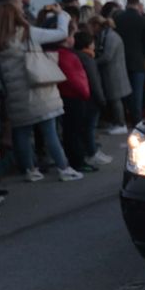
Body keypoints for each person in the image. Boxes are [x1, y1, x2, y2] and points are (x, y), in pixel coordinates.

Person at [0, 2, 78, 182]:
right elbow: (61, 33)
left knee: (22, 133)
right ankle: (64, 167)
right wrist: (62, 14)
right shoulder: (27, 33)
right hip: (38, 89)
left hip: (15, 95)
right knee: (50, 132)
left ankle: (30, 169)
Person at [40, 13, 95, 173]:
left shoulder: (50, 53)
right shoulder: (67, 56)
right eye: (71, 35)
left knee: (69, 131)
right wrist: (86, 94)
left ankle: (75, 159)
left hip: (62, 96)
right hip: (75, 98)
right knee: (75, 132)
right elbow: (76, 80)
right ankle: (78, 161)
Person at [72, 30, 113, 165]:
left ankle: (90, 150)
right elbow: (94, 82)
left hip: (79, 97)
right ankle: (92, 152)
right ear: (88, 44)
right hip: (91, 98)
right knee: (90, 127)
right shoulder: (88, 59)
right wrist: (102, 99)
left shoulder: (75, 55)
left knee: (84, 127)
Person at [90, 15, 133, 135]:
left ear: (97, 25)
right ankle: (118, 123)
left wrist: (93, 62)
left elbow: (107, 56)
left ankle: (120, 124)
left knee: (115, 100)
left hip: (114, 73)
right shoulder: (107, 35)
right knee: (115, 99)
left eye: (92, 26)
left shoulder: (111, 37)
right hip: (113, 72)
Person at [115, 0, 145, 124]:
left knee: (125, 91)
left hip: (121, 60)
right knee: (138, 93)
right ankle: (137, 120)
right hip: (138, 60)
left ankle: (126, 117)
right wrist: (144, 54)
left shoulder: (118, 19)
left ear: (127, 2)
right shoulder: (142, 20)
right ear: (138, 3)